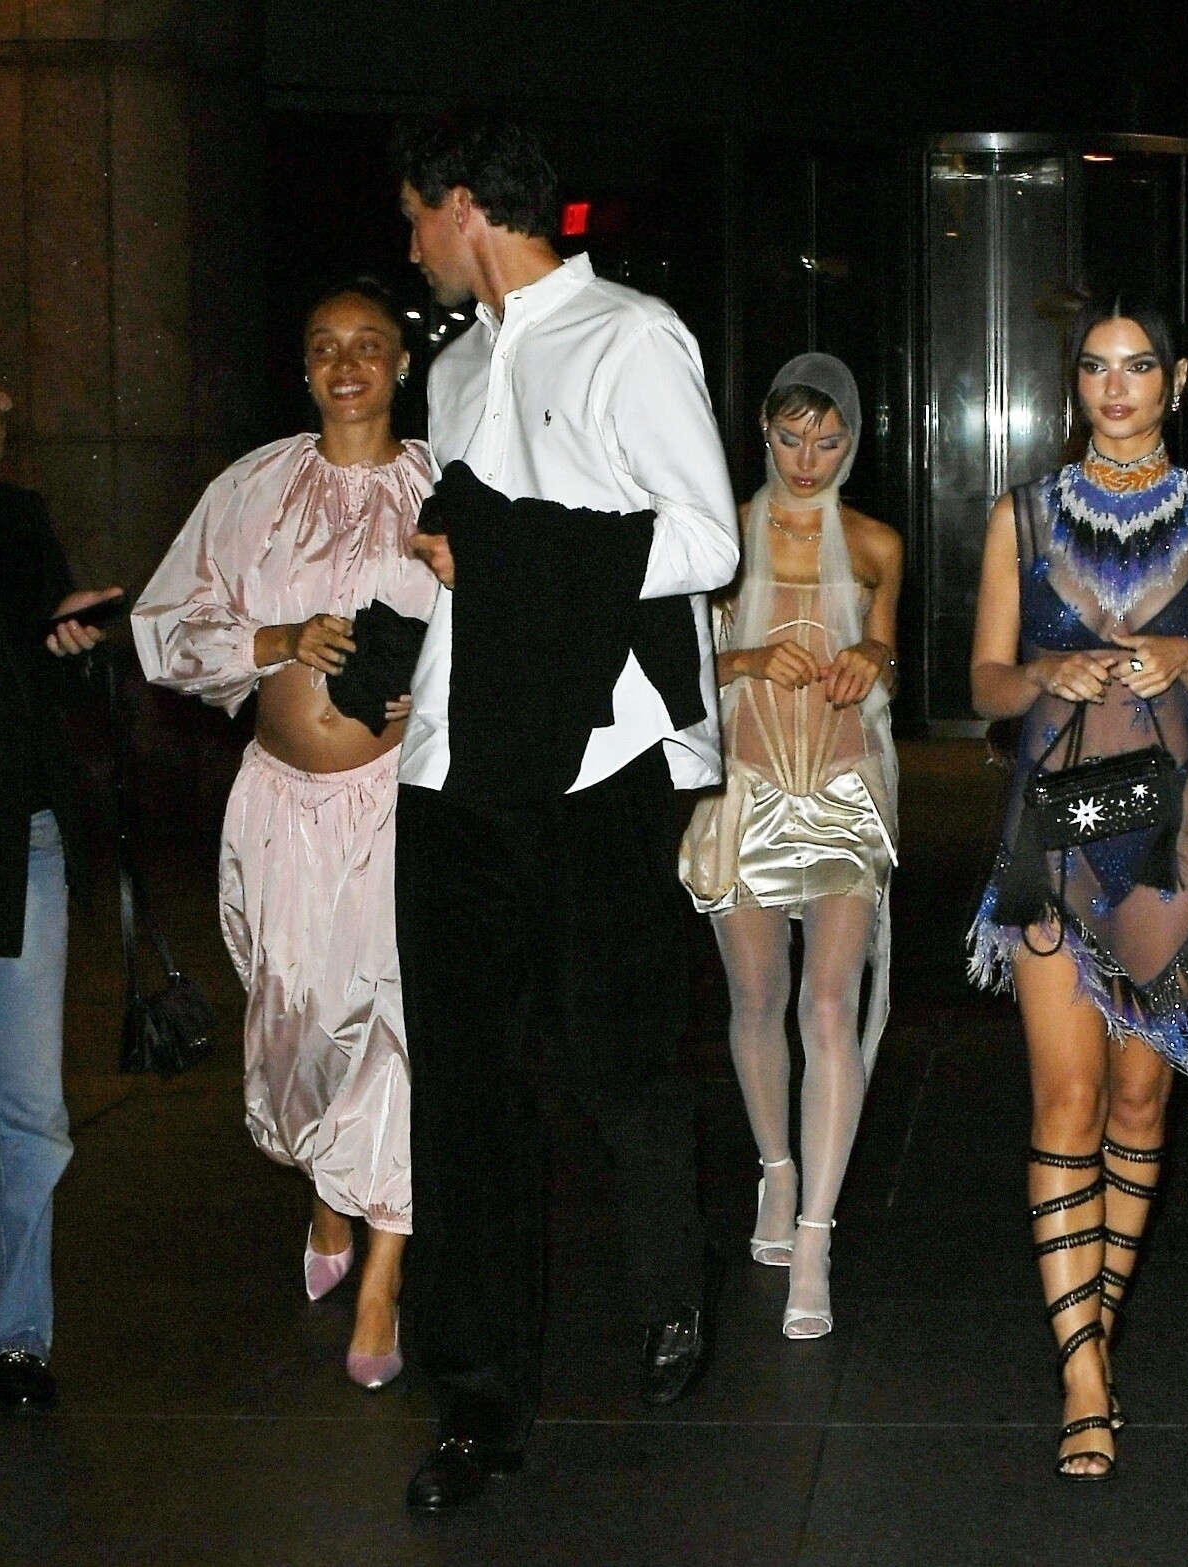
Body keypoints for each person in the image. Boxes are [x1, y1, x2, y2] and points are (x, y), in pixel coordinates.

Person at [390, 113, 738, 1512]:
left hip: (596, 762)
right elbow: (465, 563)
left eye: (414, 215)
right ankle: (475, 1402)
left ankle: (673, 1289)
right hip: (455, 761)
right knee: (463, 1090)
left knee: (615, 1060)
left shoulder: (631, 337)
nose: (410, 242)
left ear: (464, 206)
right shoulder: (451, 365)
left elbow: (704, 537)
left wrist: (504, 544)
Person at [968, 297, 1188, 1481]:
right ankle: (1081, 1373)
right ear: (1074, 381)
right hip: (1051, 824)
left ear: (1174, 380)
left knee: (1139, 1106)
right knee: (1065, 1101)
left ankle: (1099, 1320)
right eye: (1096, 367)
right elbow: (985, 681)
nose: (1117, 386)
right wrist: (1045, 668)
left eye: (1139, 366)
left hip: (1169, 831)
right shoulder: (1022, 513)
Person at [132, 282, 435, 1390]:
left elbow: (508, 636)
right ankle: (328, 1189)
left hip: (397, 802)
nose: (347, 365)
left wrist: (430, 692)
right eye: (325, 348)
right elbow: (166, 628)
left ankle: (382, 1278)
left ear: (402, 363)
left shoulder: (445, 488)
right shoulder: (252, 488)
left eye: (368, 346)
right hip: (276, 808)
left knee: (396, 1025)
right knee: (296, 1027)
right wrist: (279, 636)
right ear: (304, 368)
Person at [679, 353, 900, 1340]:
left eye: (828, 440)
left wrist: (871, 653)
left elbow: (887, 655)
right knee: (756, 998)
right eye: (790, 436)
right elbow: (675, 664)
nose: (807, 458)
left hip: (845, 791)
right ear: (763, 431)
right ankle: (776, 1168)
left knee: (829, 1003)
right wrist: (747, 656)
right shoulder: (717, 536)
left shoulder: (876, 543)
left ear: (851, 442)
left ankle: (815, 1234)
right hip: (747, 791)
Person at [0, 346, 123, 1411]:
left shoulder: (17, 518)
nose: (4, 399)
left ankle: (16, 1338)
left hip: (16, 836)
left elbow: (46, 676)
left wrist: (73, 645)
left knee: (28, 1109)